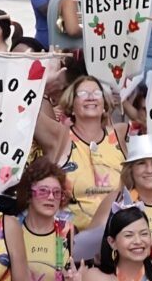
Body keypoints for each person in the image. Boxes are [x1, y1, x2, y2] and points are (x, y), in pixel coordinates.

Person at [34, 75, 128, 231]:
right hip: (71, 242)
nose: (91, 97)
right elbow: (26, 111)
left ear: (104, 104)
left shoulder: (120, 135)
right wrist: (40, 88)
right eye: (83, 94)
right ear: (71, 105)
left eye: (97, 93)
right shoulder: (60, 137)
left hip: (117, 240)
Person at [90, 134, 152, 280]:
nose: (149, 170)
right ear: (131, 169)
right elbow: (88, 250)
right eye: (141, 163)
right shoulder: (115, 201)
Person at [14, 157, 75, 281]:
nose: (51, 197)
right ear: (29, 195)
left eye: (56, 192)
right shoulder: (12, 229)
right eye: (43, 191)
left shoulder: (67, 230)